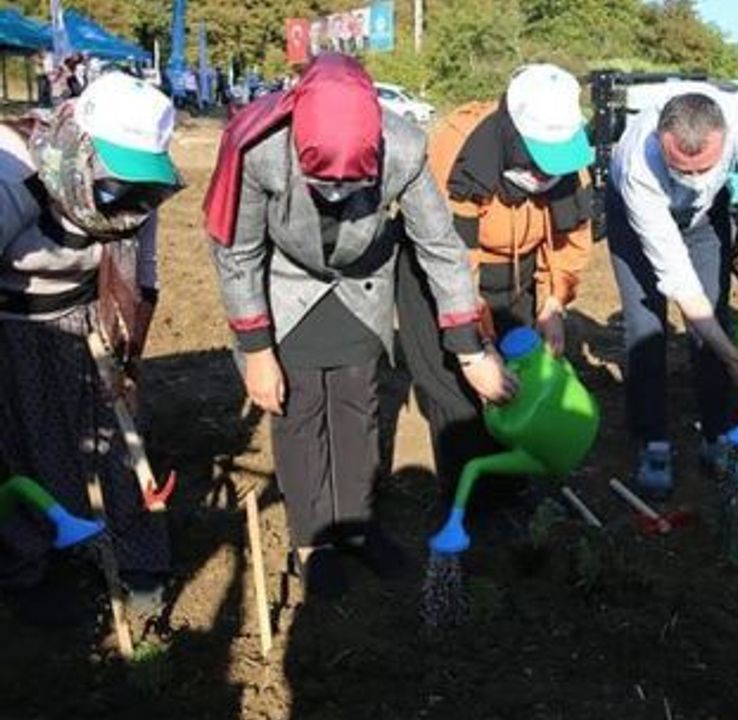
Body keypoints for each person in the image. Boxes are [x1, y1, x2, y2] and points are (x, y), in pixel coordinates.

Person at [204, 54, 512, 601]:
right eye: (323, 182)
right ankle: (313, 542)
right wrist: (255, 348)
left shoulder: (405, 147)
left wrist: (469, 350)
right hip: (288, 283)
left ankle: (358, 523)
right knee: (298, 412)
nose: (338, 196)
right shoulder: (259, 145)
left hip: (362, 282)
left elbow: (440, 245)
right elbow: (239, 250)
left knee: (356, 404)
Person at [0, 72, 183, 624]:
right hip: (11, 326)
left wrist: (129, 363)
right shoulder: (14, 174)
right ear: (80, 149)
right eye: (116, 186)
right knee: (26, 447)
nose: (130, 204)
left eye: (141, 188)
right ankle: (29, 567)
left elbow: (142, 276)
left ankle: (139, 563)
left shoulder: (139, 192)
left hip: (89, 318)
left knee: (121, 443)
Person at [396, 64, 594, 511]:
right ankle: (468, 504)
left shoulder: (570, 162)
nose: (547, 175)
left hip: (516, 274)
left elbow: (570, 239)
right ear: (513, 133)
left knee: (514, 383)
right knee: (460, 393)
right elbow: (450, 260)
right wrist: (473, 347)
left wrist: (554, 304)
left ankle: (512, 489)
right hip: (439, 274)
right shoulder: (459, 149)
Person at [608, 85, 738, 499]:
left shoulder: (737, 123)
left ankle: (716, 434)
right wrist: (730, 353)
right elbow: (677, 276)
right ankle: (653, 441)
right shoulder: (636, 166)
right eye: (683, 170)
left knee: (715, 313)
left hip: (704, 219)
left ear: (725, 138)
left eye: (704, 168)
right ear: (662, 145)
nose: (695, 179)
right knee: (646, 327)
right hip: (637, 222)